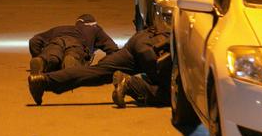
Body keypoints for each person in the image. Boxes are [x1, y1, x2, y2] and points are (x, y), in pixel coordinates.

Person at [27, 26, 171, 107]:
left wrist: (110, 64)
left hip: (143, 38)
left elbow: (35, 41)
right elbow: (110, 46)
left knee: (96, 72)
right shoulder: (95, 30)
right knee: (170, 94)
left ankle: (42, 80)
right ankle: (128, 83)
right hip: (158, 50)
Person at [28, 14, 118, 75]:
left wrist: (37, 55)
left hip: (56, 41)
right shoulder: (95, 29)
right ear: (93, 24)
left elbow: (34, 41)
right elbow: (112, 48)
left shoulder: (59, 29)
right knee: (74, 55)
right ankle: (71, 61)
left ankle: (42, 61)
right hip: (77, 44)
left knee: (52, 55)